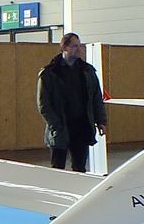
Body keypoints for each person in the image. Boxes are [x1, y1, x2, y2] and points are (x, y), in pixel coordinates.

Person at [38, 32, 106, 172]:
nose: (79, 49)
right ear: (65, 47)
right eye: (74, 46)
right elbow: (43, 104)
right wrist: (55, 125)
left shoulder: (87, 71)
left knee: (80, 168)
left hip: (81, 127)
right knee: (57, 169)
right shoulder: (49, 73)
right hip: (60, 128)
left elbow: (96, 98)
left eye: (79, 46)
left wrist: (101, 121)